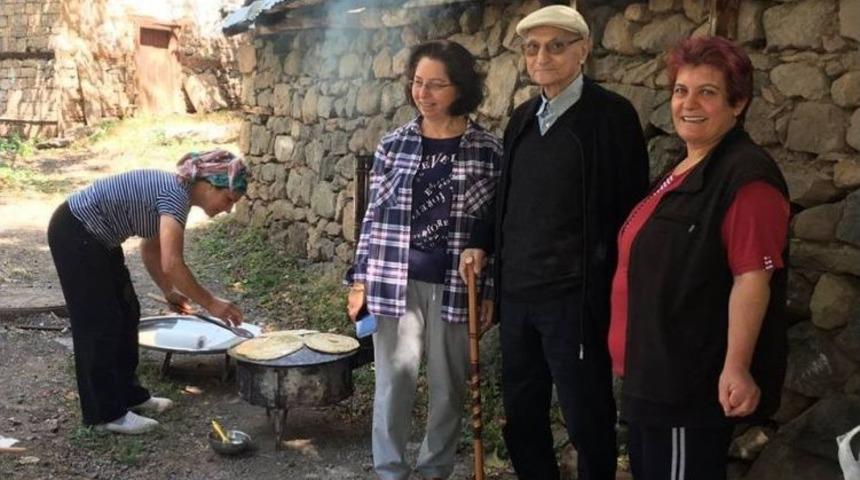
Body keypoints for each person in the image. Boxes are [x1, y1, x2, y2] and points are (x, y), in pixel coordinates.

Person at [459, 5, 650, 480]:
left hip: (575, 300)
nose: (542, 57)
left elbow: (631, 210)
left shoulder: (612, 117)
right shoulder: (523, 117)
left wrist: (612, 289)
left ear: (582, 50)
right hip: (519, 295)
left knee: (587, 416)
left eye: (556, 46)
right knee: (522, 413)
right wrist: (481, 242)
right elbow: (507, 196)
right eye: (532, 47)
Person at [608, 36, 790, 480]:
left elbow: (753, 278)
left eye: (707, 92)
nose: (688, 104)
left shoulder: (748, 179)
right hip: (652, 375)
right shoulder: (682, 168)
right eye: (680, 90)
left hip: (687, 386)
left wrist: (737, 367)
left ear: (738, 103)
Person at [345, 40, 502, 480]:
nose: (423, 93)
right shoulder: (394, 144)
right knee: (393, 383)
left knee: (449, 387)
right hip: (394, 280)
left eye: (436, 85)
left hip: (457, 284)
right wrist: (359, 280)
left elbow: (495, 226)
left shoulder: (488, 150)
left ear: (460, 88)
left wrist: (490, 291)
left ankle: (435, 470)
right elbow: (372, 218)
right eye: (417, 82)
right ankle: (390, 470)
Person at [47, 149, 246, 435]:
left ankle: (130, 396)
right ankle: (105, 415)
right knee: (99, 324)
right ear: (208, 185)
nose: (228, 209)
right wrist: (212, 303)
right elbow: (172, 263)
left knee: (128, 313)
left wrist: (169, 291)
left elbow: (151, 249)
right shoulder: (175, 196)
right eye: (228, 199)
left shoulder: (177, 195)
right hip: (76, 232)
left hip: (96, 239)